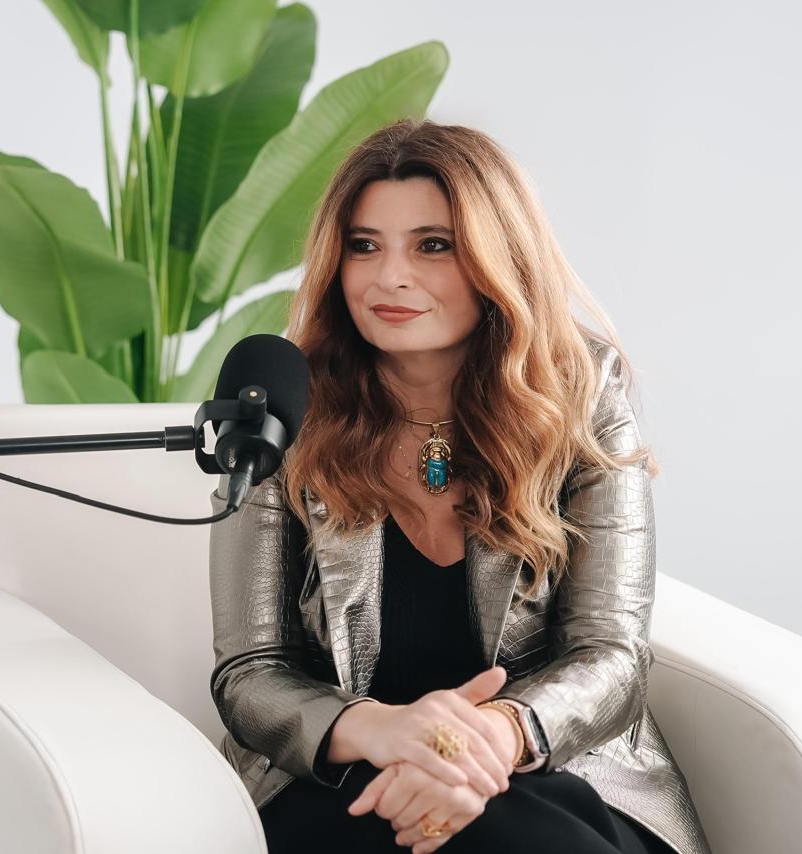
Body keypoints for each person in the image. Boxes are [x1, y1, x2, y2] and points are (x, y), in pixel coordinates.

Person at [207, 118, 713, 854]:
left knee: (513, 827)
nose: (390, 277)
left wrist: (486, 740)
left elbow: (611, 653)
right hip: (342, 777)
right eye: (364, 245)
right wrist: (384, 730)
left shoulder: (583, 395)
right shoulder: (286, 405)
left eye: (433, 245)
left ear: (497, 257)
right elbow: (250, 673)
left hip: (552, 765)